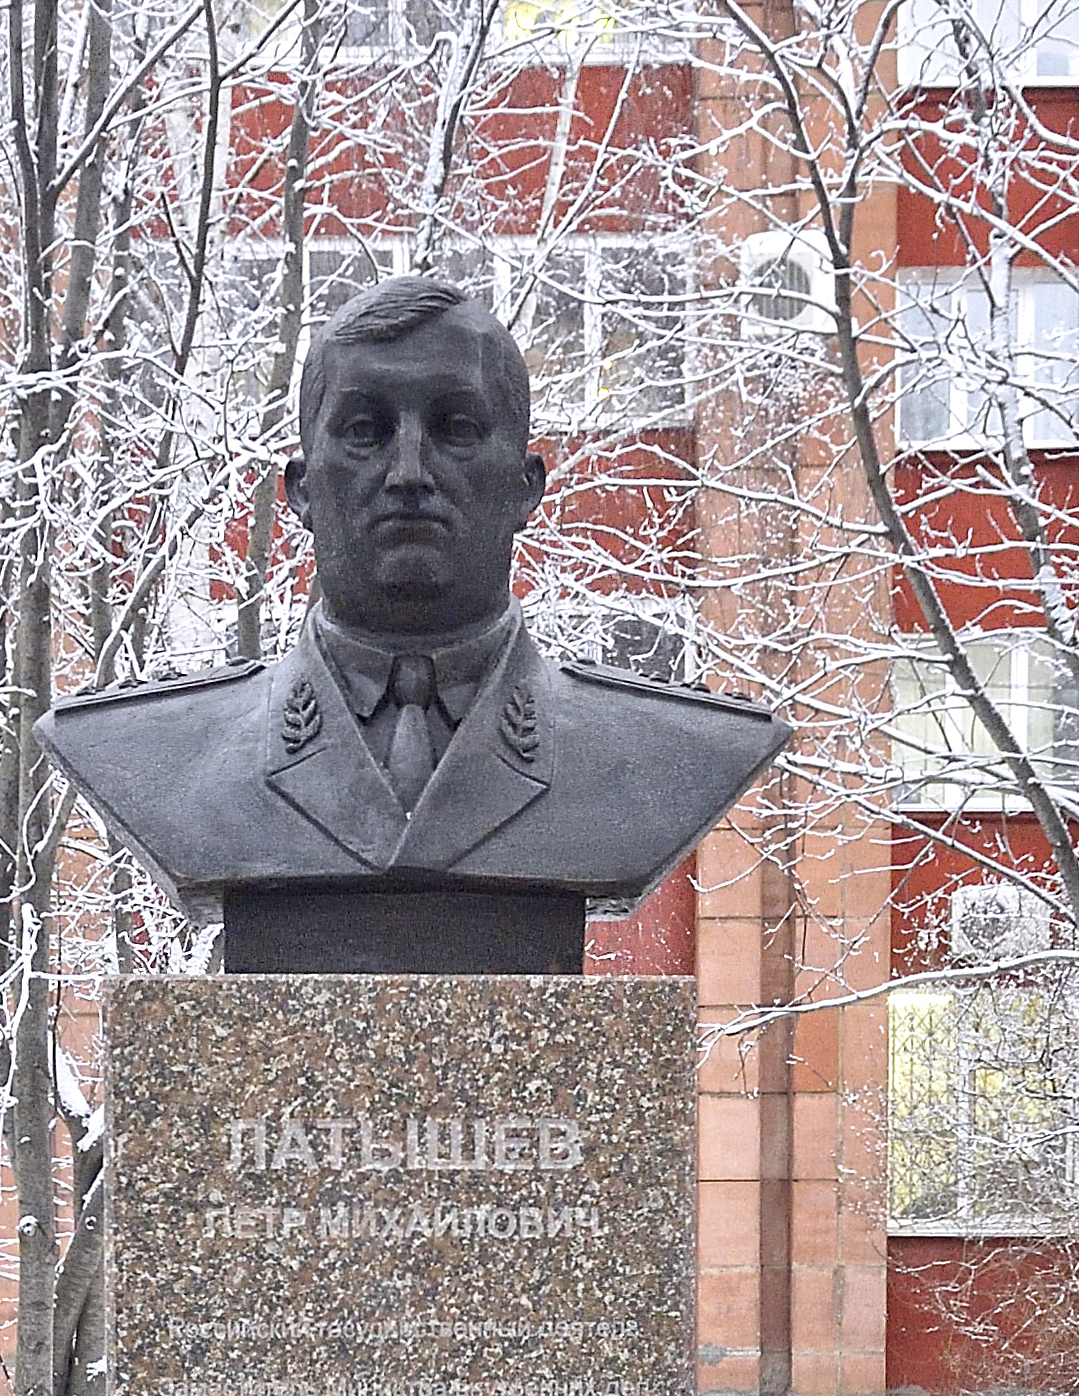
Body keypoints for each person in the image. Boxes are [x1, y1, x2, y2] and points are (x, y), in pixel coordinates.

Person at [41, 271, 785, 975]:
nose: (408, 473)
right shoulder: (161, 753)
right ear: (300, 490)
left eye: (455, 427)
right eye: (365, 431)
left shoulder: (659, 754)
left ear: (527, 486)